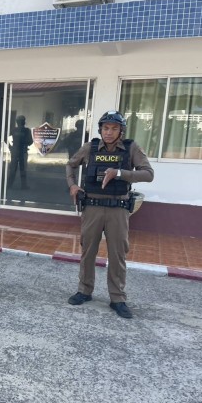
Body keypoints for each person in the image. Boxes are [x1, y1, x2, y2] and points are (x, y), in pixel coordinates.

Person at [66, 110, 154, 319]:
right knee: (88, 251)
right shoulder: (90, 147)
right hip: (92, 208)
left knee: (117, 254)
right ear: (100, 129)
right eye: (105, 128)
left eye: (114, 128)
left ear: (121, 131)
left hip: (118, 209)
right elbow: (70, 164)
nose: (109, 132)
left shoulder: (130, 148)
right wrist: (72, 185)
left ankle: (117, 298)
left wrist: (120, 173)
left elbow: (148, 174)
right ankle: (84, 290)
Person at [7, 115, 33, 189]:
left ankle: (11, 185)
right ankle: (21, 185)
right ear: (24, 122)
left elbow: (5, 137)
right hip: (21, 151)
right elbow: (30, 141)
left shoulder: (15, 130)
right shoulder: (25, 130)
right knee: (21, 169)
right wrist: (10, 147)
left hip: (18, 151)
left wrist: (10, 147)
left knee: (15, 169)